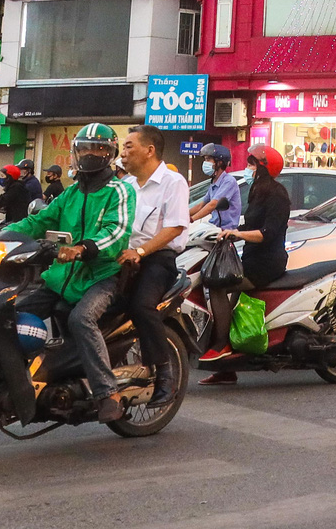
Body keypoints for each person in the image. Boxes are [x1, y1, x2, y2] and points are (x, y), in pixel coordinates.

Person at [0, 124, 135, 421]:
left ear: (110, 153)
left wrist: (83, 249)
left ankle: (107, 392)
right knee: (8, 313)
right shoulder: (70, 193)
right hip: (61, 278)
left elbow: (117, 232)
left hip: (102, 276)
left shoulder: (120, 191)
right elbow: (38, 221)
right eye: (85, 148)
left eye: (98, 148)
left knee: (81, 318)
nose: (91, 154)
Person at [103, 126, 192, 404]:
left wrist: (141, 251)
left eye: (129, 146)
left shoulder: (173, 182)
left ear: (149, 150)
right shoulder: (125, 186)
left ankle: (165, 374)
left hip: (157, 258)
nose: (124, 153)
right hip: (122, 256)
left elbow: (175, 227)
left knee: (141, 305)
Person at [200, 141, 293, 386]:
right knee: (225, 309)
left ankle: (221, 346)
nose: (247, 167)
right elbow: (248, 225)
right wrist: (224, 231)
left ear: (263, 168)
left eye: (252, 163)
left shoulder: (277, 194)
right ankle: (226, 370)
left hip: (267, 264)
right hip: (250, 258)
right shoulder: (257, 191)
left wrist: (237, 234)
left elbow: (266, 233)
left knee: (218, 286)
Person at [189, 144, 244, 232]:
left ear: (219, 162)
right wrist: (183, 215)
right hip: (214, 227)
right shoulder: (214, 182)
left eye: (208, 159)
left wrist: (192, 219)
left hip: (226, 230)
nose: (205, 163)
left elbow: (212, 204)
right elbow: (201, 205)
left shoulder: (229, 181)